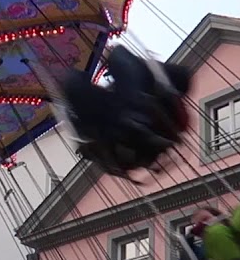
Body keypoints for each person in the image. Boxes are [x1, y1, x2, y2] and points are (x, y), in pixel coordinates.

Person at [56, 45, 192, 177]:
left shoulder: (107, 134)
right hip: (131, 113)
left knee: (74, 82)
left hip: (121, 119)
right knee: (117, 57)